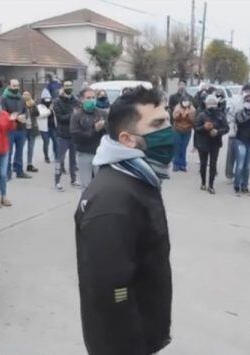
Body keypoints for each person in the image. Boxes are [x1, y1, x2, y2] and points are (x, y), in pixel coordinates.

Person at [75, 85, 173, 355]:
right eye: (158, 124)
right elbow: (110, 292)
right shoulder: (112, 201)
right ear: (127, 139)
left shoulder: (139, 177)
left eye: (167, 120)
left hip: (143, 324)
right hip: (123, 342)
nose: (169, 130)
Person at [70, 87, 107, 188]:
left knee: (101, 185)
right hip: (84, 153)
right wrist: (95, 129)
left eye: (93, 97)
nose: (91, 100)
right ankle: (86, 203)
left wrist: (104, 127)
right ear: (82, 99)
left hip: (100, 154)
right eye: (88, 98)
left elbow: (109, 134)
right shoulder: (77, 116)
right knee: (86, 186)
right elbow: (76, 136)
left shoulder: (102, 113)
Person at [194, 95, 229, 194]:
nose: (212, 105)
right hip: (203, 142)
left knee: (213, 164)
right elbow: (196, 128)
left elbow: (226, 128)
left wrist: (217, 131)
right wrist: (204, 127)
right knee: (203, 164)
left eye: (214, 103)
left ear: (217, 104)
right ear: (206, 104)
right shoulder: (201, 115)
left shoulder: (220, 115)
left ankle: (211, 185)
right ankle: (203, 183)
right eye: (210, 103)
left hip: (215, 143)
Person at [52, 80, 82, 190]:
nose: (68, 87)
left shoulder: (76, 101)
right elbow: (60, 118)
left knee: (73, 160)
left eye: (70, 86)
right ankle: (57, 181)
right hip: (62, 135)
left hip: (74, 135)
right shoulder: (57, 102)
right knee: (59, 159)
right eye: (66, 86)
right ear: (63, 88)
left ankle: (73, 180)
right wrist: (72, 114)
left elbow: (80, 115)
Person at [1, 79, 31, 179]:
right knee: (9, 152)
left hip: (21, 129)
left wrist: (24, 117)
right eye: (14, 86)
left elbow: (26, 111)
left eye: (17, 86)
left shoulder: (21, 98)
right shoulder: (4, 98)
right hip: (10, 129)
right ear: (9, 86)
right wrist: (14, 117)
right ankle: (8, 173)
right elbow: (3, 113)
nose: (16, 88)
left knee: (20, 151)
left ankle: (19, 171)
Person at [224, 84, 250, 180]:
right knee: (231, 155)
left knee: (243, 157)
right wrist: (232, 125)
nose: (248, 93)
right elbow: (229, 114)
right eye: (246, 91)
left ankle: (240, 176)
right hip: (234, 131)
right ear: (242, 91)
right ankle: (229, 174)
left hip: (247, 133)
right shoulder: (234, 100)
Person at [171, 95, 196, 172]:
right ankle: (176, 164)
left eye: (187, 101)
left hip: (187, 130)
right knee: (177, 147)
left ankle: (182, 165)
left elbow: (193, 120)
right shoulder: (177, 107)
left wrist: (188, 116)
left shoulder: (192, 109)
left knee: (183, 147)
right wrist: (180, 115)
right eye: (184, 101)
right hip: (177, 129)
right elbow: (174, 117)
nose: (185, 103)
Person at [23, 91, 41, 173]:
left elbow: (37, 114)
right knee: (20, 147)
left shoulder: (33, 104)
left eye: (27, 94)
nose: (26, 96)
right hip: (23, 128)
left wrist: (33, 105)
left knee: (31, 147)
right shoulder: (21, 104)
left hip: (32, 128)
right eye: (24, 94)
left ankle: (29, 164)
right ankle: (17, 164)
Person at [38, 92, 57, 164]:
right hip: (44, 128)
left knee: (56, 142)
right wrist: (49, 110)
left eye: (49, 99)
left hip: (53, 127)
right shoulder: (40, 107)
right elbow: (41, 115)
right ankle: (46, 157)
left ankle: (56, 155)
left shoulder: (53, 105)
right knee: (46, 142)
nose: (48, 101)